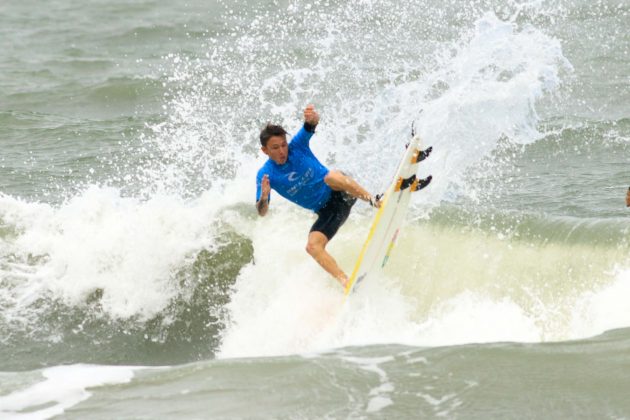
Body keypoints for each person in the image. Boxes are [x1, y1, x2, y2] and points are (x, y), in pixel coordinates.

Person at [255, 104, 381, 288]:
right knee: (312, 247)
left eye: (283, 145)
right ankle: (346, 283)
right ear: (265, 151)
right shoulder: (266, 175)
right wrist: (264, 197)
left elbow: (311, 125)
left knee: (331, 176)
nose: (282, 151)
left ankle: (376, 201)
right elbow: (262, 212)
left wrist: (312, 117)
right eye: (275, 148)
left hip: (342, 191)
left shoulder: (297, 146)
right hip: (328, 211)